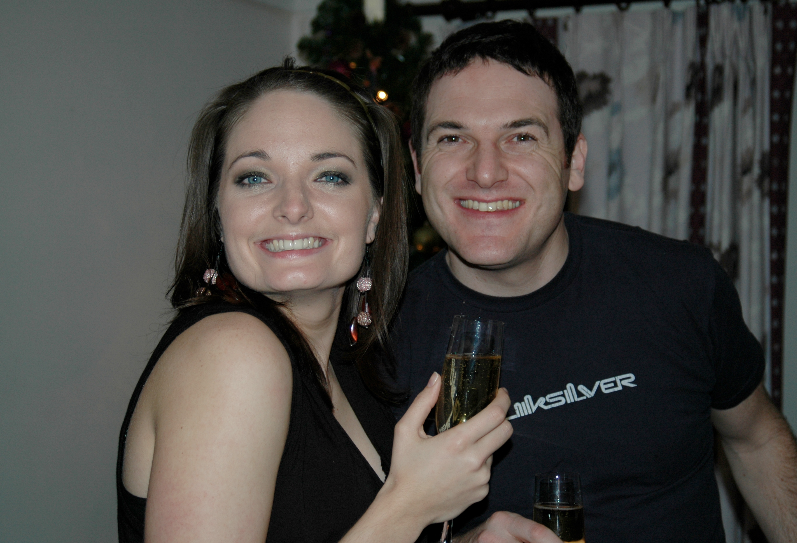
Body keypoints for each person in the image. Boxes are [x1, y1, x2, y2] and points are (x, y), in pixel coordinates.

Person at [392, 20, 797, 543]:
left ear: (573, 162)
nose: (485, 172)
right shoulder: (380, 340)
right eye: (453, 138)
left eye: (521, 137)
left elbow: (755, 438)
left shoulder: (678, 284)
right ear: (418, 167)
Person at [116, 59, 514, 543]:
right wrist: (411, 505)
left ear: (374, 213)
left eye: (329, 176)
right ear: (218, 214)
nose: (292, 206)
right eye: (254, 178)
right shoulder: (232, 352)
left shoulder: (351, 367)